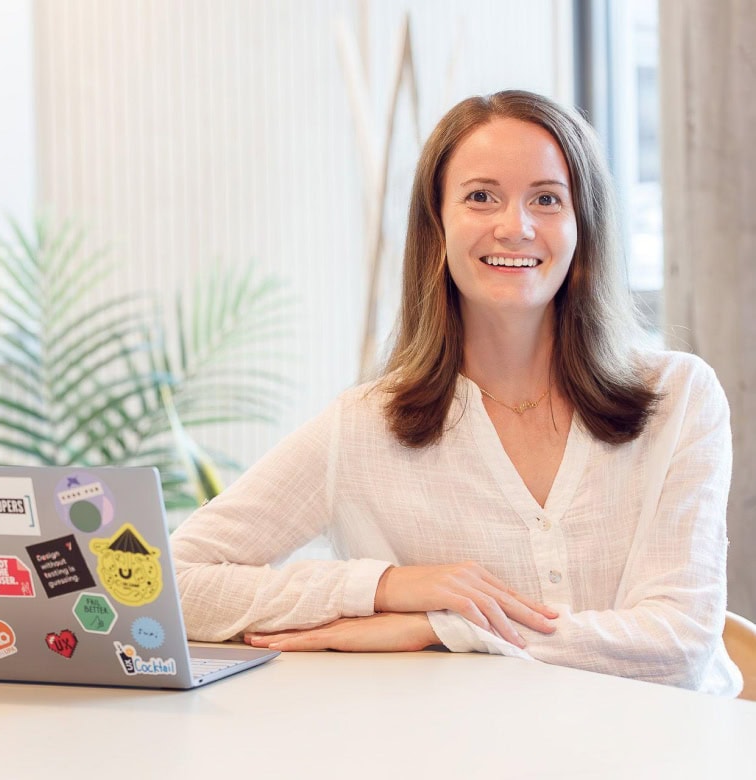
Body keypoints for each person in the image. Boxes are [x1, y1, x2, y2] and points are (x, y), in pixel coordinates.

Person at [170, 89, 742, 696]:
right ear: (436, 226)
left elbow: (677, 644)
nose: (515, 227)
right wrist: (385, 588)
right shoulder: (365, 427)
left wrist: (441, 627)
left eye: (546, 199)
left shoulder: (679, 398)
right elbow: (166, 583)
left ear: (583, 227)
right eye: (480, 197)